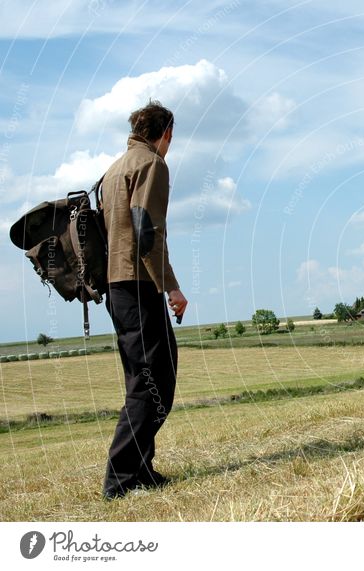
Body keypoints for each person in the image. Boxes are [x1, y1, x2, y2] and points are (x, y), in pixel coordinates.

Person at [100, 100, 188, 499]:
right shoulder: (152, 164)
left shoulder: (113, 169)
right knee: (151, 383)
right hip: (139, 285)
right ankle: (120, 480)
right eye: (172, 136)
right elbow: (145, 230)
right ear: (166, 131)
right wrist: (171, 287)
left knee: (149, 377)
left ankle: (141, 470)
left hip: (120, 288)